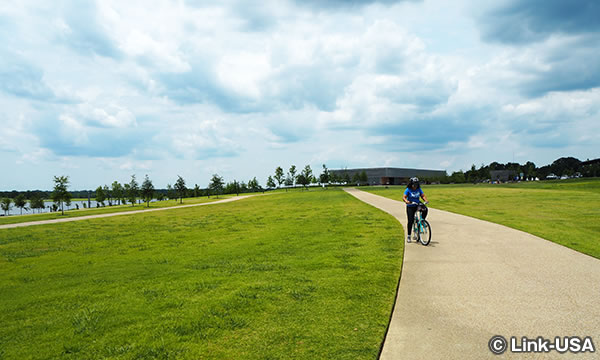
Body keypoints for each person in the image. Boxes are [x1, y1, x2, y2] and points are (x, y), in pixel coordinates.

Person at [402, 177, 429, 243]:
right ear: (411, 184)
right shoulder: (408, 189)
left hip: (417, 203)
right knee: (410, 221)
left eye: (416, 184)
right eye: (414, 184)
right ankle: (409, 236)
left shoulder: (419, 189)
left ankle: (422, 221)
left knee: (425, 209)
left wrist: (425, 200)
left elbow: (422, 195)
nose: (415, 186)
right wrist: (406, 201)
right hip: (410, 205)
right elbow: (404, 197)